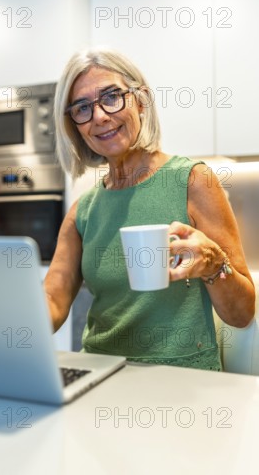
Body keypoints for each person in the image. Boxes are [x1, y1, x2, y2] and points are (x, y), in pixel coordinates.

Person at [44, 47, 255, 370]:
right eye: (82, 108)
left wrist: (213, 265)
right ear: (75, 126)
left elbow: (242, 314)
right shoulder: (83, 211)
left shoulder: (193, 181)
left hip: (181, 377)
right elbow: (53, 301)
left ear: (140, 100)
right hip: (100, 373)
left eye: (111, 96)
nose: (99, 116)